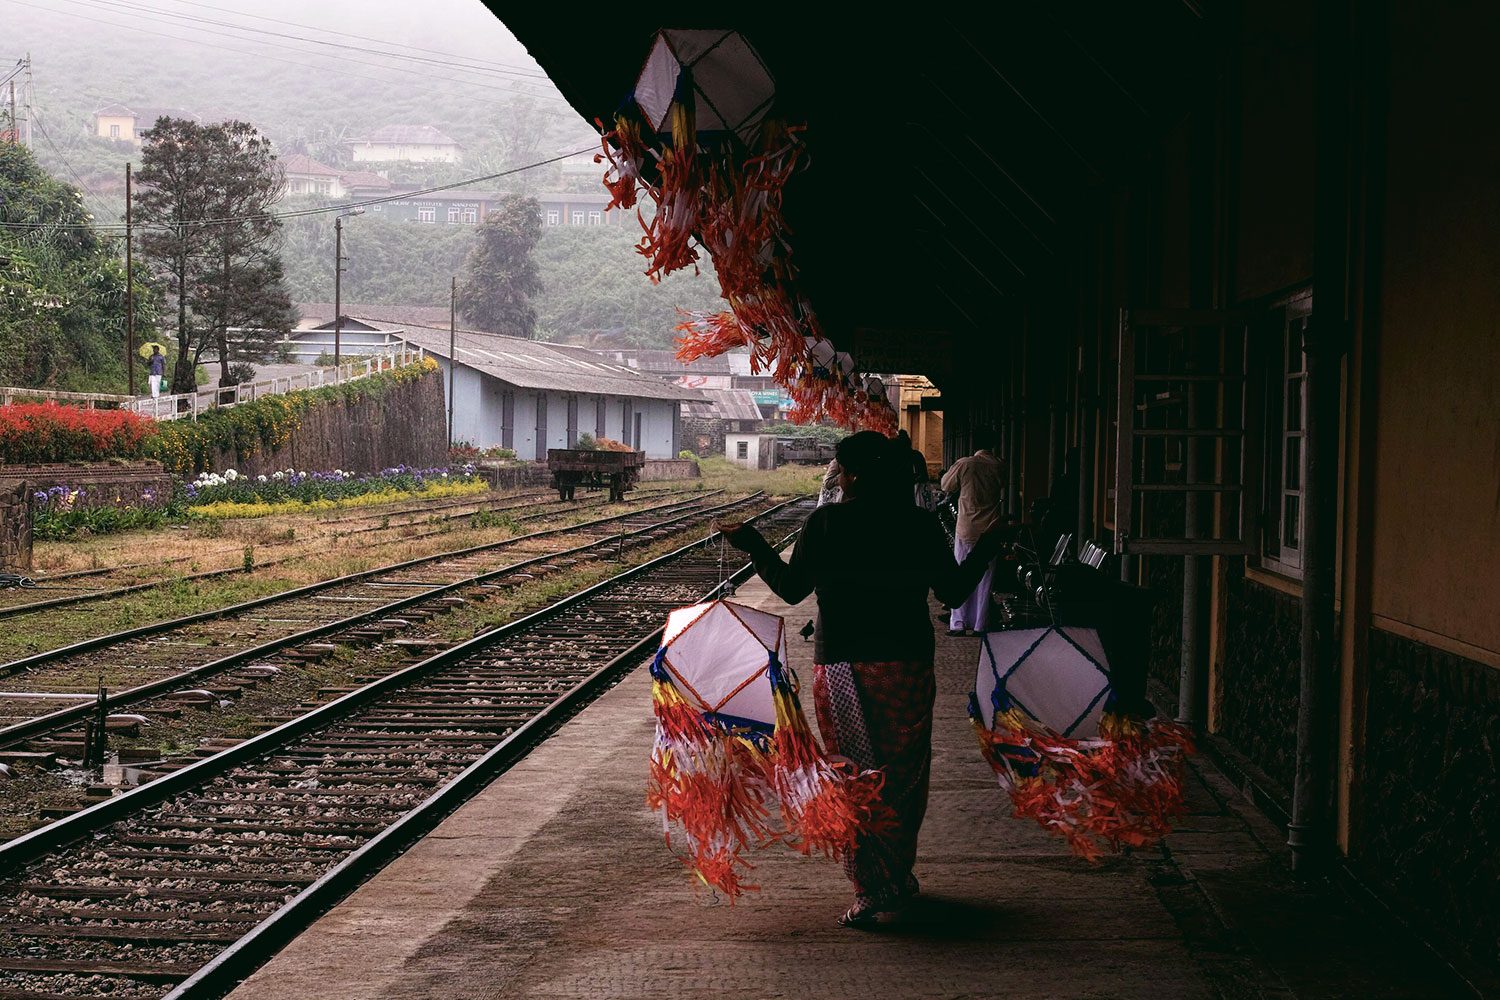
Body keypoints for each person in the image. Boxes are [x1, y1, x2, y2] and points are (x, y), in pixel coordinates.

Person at [717, 431, 1000, 927]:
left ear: (853, 476)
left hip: (843, 668)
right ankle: (896, 877)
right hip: (906, 668)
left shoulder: (826, 523)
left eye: (842, 470)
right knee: (905, 779)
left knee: (856, 778)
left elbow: (789, 588)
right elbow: (955, 593)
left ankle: (873, 889)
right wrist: (992, 543)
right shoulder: (919, 525)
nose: (840, 478)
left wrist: (751, 543)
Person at [940, 428, 1005, 635]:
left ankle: (958, 623)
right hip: (991, 528)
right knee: (986, 579)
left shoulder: (965, 464)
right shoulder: (999, 465)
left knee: (960, 574)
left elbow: (946, 485)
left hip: (967, 527)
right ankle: (980, 624)